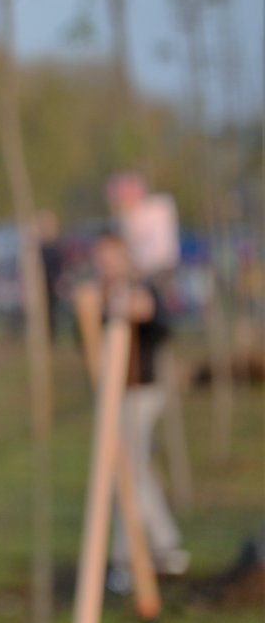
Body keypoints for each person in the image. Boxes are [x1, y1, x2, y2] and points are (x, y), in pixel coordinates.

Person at [92, 230, 189, 580]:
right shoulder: (97, 292)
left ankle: (129, 557)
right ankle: (162, 545)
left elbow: (157, 320)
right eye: (100, 255)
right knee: (133, 472)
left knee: (128, 474)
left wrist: (132, 307)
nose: (105, 262)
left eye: (111, 255)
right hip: (112, 394)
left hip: (140, 391)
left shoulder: (140, 287)